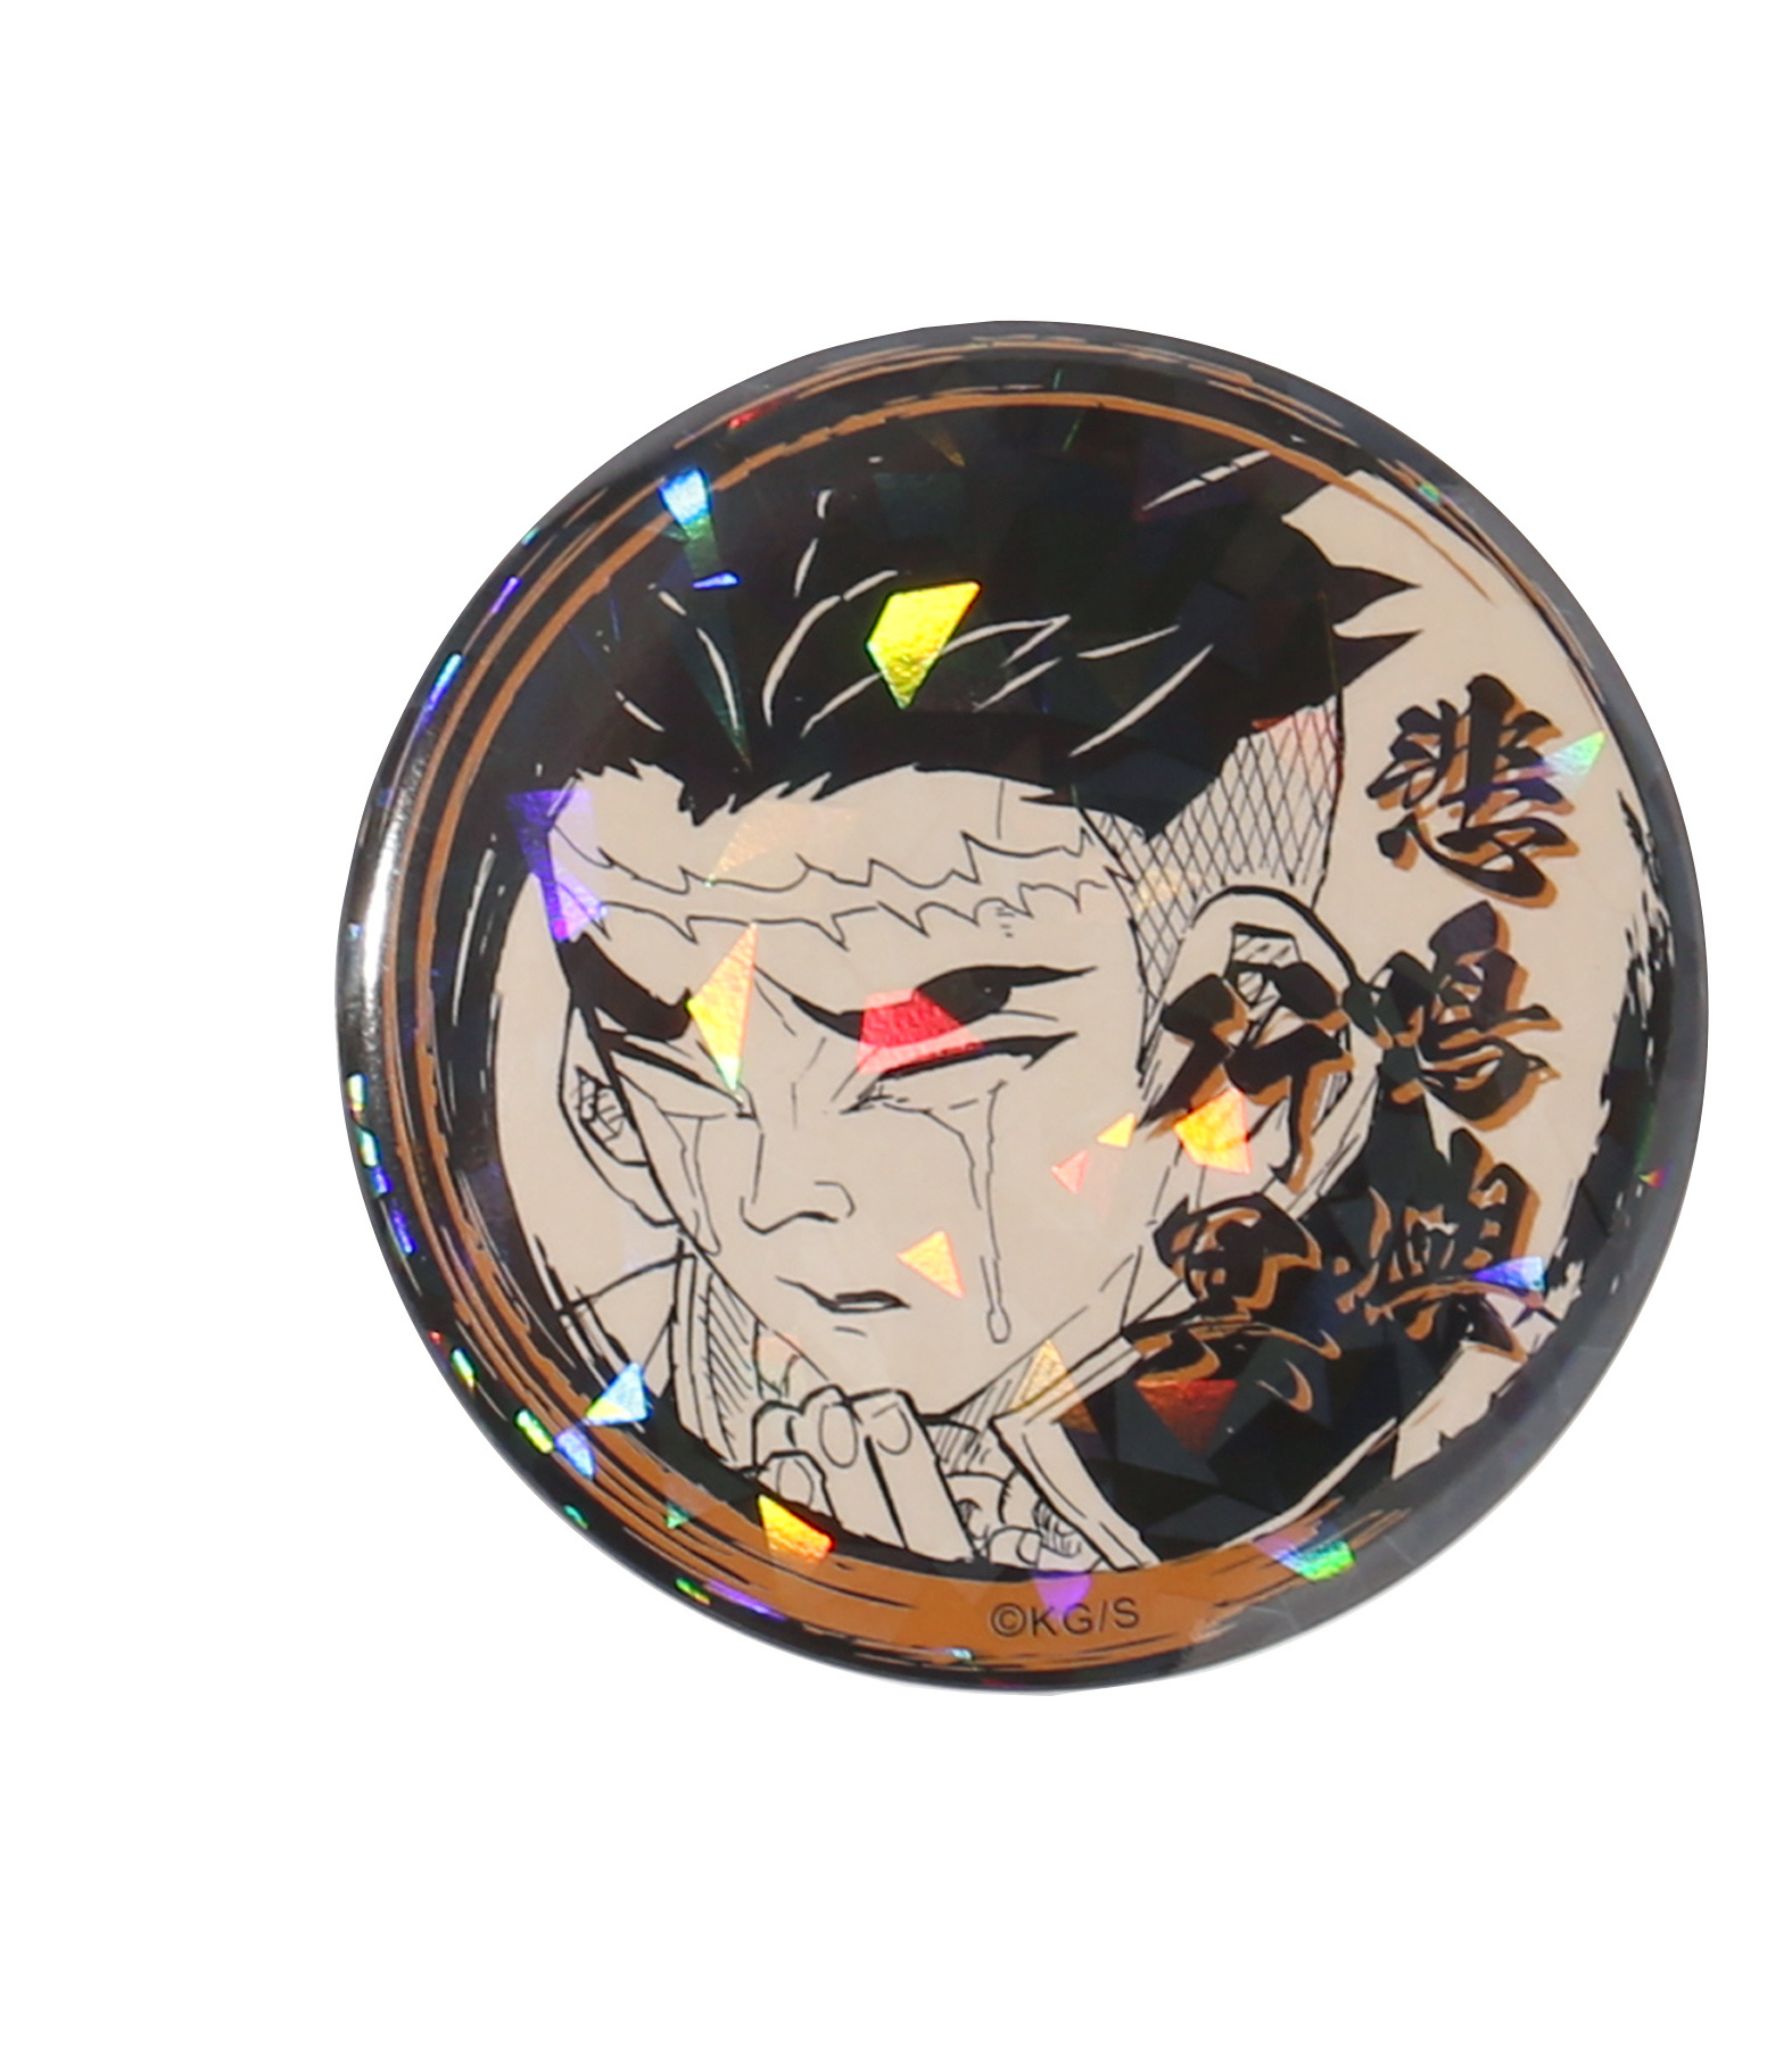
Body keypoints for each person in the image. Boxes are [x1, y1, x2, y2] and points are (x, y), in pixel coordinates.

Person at [485, 407, 1555, 1567]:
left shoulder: (1395, 1435)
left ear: (1251, 1043)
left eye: (916, 1052)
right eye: (667, 1057)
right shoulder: (677, 1424)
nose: (772, 1194)